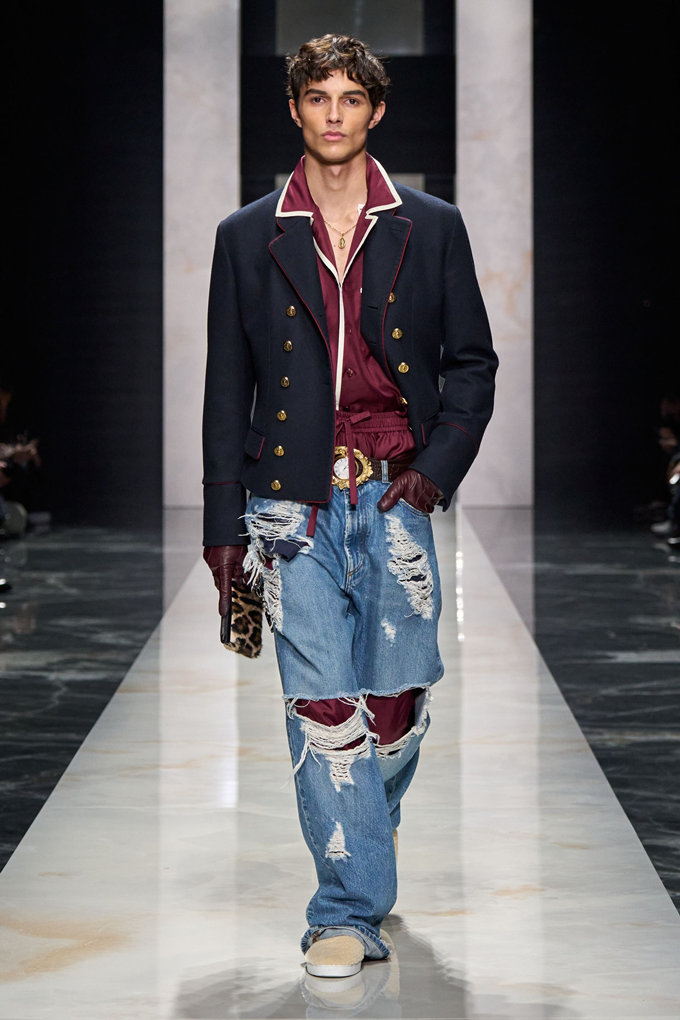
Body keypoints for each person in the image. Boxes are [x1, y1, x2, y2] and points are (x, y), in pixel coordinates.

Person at [202, 35, 497, 978]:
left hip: (396, 494)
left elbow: (472, 363)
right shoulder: (247, 234)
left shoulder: (431, 226)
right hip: (287, 507)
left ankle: (368, 821)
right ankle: (344, 909)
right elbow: (226, 388)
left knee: (394, 704)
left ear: (376, 111)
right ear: (294, 109)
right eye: (317, 97)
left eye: (351, 98)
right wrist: (221, 528)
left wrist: (435, 469)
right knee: (324, 707)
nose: (334, 113)